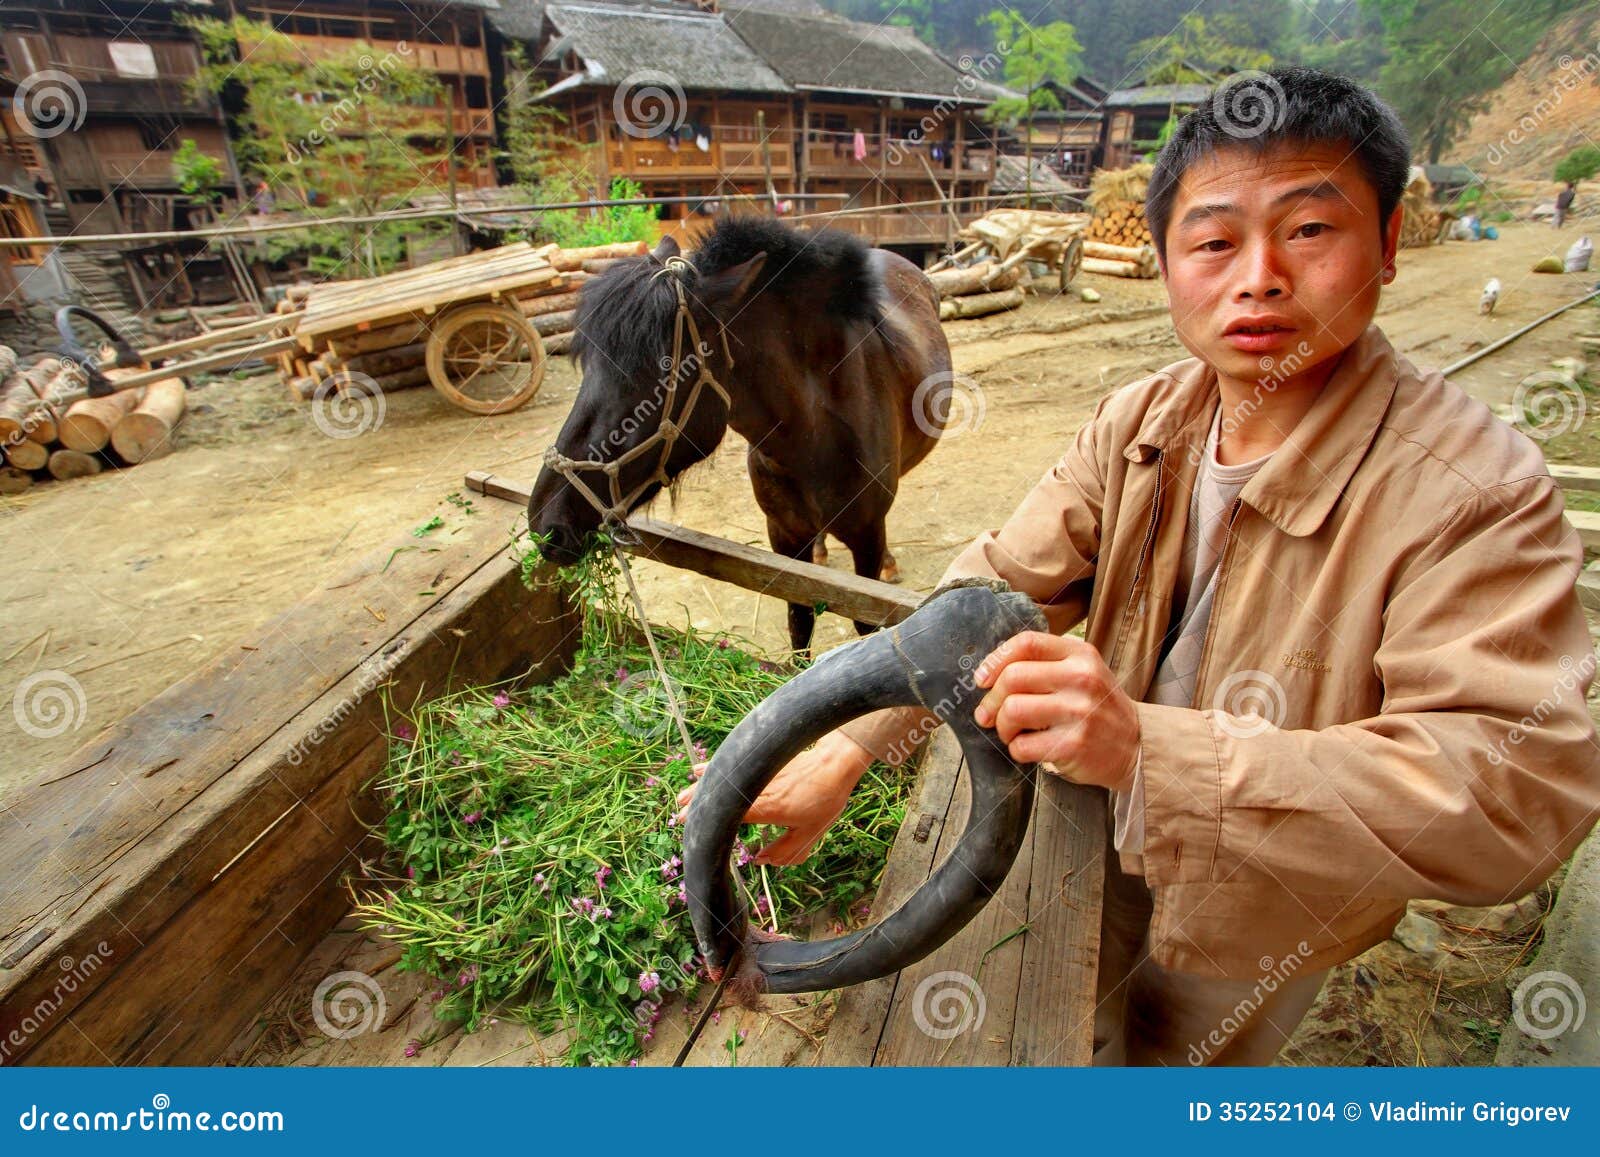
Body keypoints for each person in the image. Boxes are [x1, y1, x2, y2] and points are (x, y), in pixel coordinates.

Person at [675, 66, 1600, 1066]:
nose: (1258, 276)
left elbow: (1518, 794)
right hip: (1087, 838)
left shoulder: (1479, 488)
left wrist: (1149, 754)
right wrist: (844, 751)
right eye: (1213, 241)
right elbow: (993, 586)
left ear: (1385, 247)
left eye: (1308, 231)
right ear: (1164, 262)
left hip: (1266, 905)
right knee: (1076, 1040)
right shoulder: (1141, 420)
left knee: (1183, 1070)